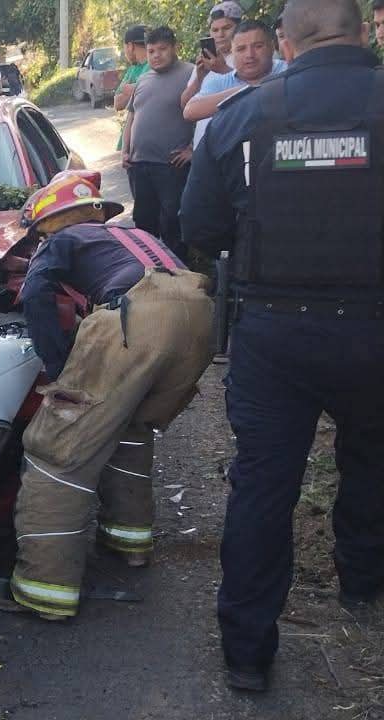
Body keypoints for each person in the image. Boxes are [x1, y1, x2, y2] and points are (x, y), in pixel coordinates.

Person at [181, 0, 384, 693]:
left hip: (275, 332)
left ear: (286, 45)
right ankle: (363, 581)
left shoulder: (241, 115)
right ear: (363, 32)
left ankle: (246, 654)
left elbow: (198, 227)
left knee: (264, 488)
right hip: (376, 328)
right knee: (374, 460)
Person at [0, 171, 214, 620]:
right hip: (200, 314)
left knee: (56, 448)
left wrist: (60, 370)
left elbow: (35, 295)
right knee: (129, 427)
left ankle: (42, 589)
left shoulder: (61, 242)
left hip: (139, 315)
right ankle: (129, 543)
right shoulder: (133, 235)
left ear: (47, 225)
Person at [123, 26, 195, 256]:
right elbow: (131, 115)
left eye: (162, 49)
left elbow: (205, 116)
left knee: (173, 224)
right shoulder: (144, 79)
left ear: (175, 48)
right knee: (144, 225)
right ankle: (149, 274)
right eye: (152, 50)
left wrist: (193, 149)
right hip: (139, 165)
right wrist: (125, 151)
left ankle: (180, 277)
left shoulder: (192, 74)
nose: (156, 55)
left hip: (172, 167)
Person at [184, 21, 287, 124]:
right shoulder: (220, 80)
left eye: (258, 46)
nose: (250, 54)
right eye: (241, 49)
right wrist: (247, 90)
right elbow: (189, 112)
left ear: (272, 47)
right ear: (232, 52)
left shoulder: (287, 71)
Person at [182, 1, 244, 148]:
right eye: (215, 30)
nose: (220, 35)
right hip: (203, 149)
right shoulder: (205, 62)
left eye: (226, 28)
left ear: (240, 27)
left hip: (234, 147)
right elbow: (184, 106)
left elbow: (256, 91)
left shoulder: (250, 57)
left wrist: (224, 69)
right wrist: (199, 77)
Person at [114, 25, 150, 152]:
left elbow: (148, 91)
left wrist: (131, 88)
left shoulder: (153, 66)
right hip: (130, 139)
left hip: (145, 138)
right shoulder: (132, 69)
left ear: (130, 46)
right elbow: (117, 103)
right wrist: (134, 89)